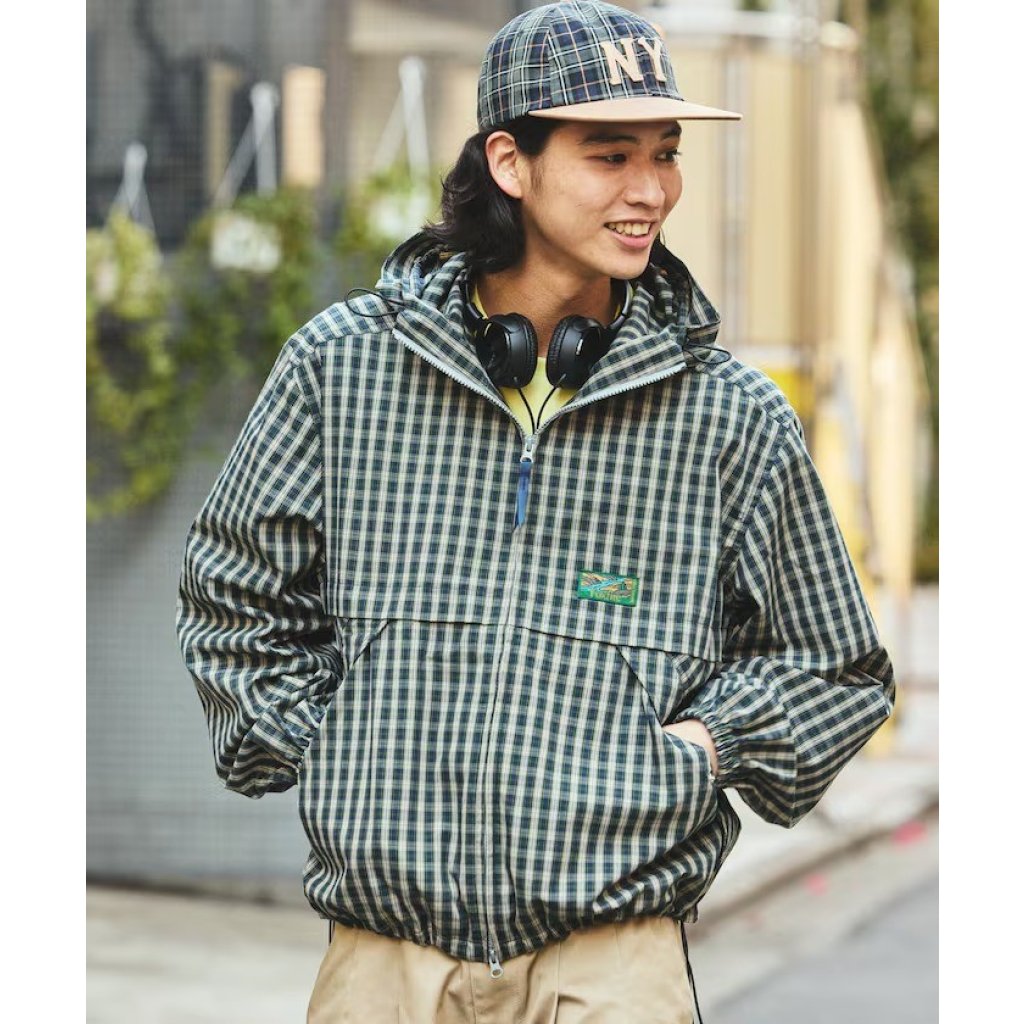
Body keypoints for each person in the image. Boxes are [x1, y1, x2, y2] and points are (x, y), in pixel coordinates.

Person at [175, 2, 895, 1021]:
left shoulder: (728, 417)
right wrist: (339, 744)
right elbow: (231, 600)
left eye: (665, 153)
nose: (651, 190)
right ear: (510, 162)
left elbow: (836, 668)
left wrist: (702, 749)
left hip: (613, 966)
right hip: (385, 963)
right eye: (610, 155)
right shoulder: (342, 368)